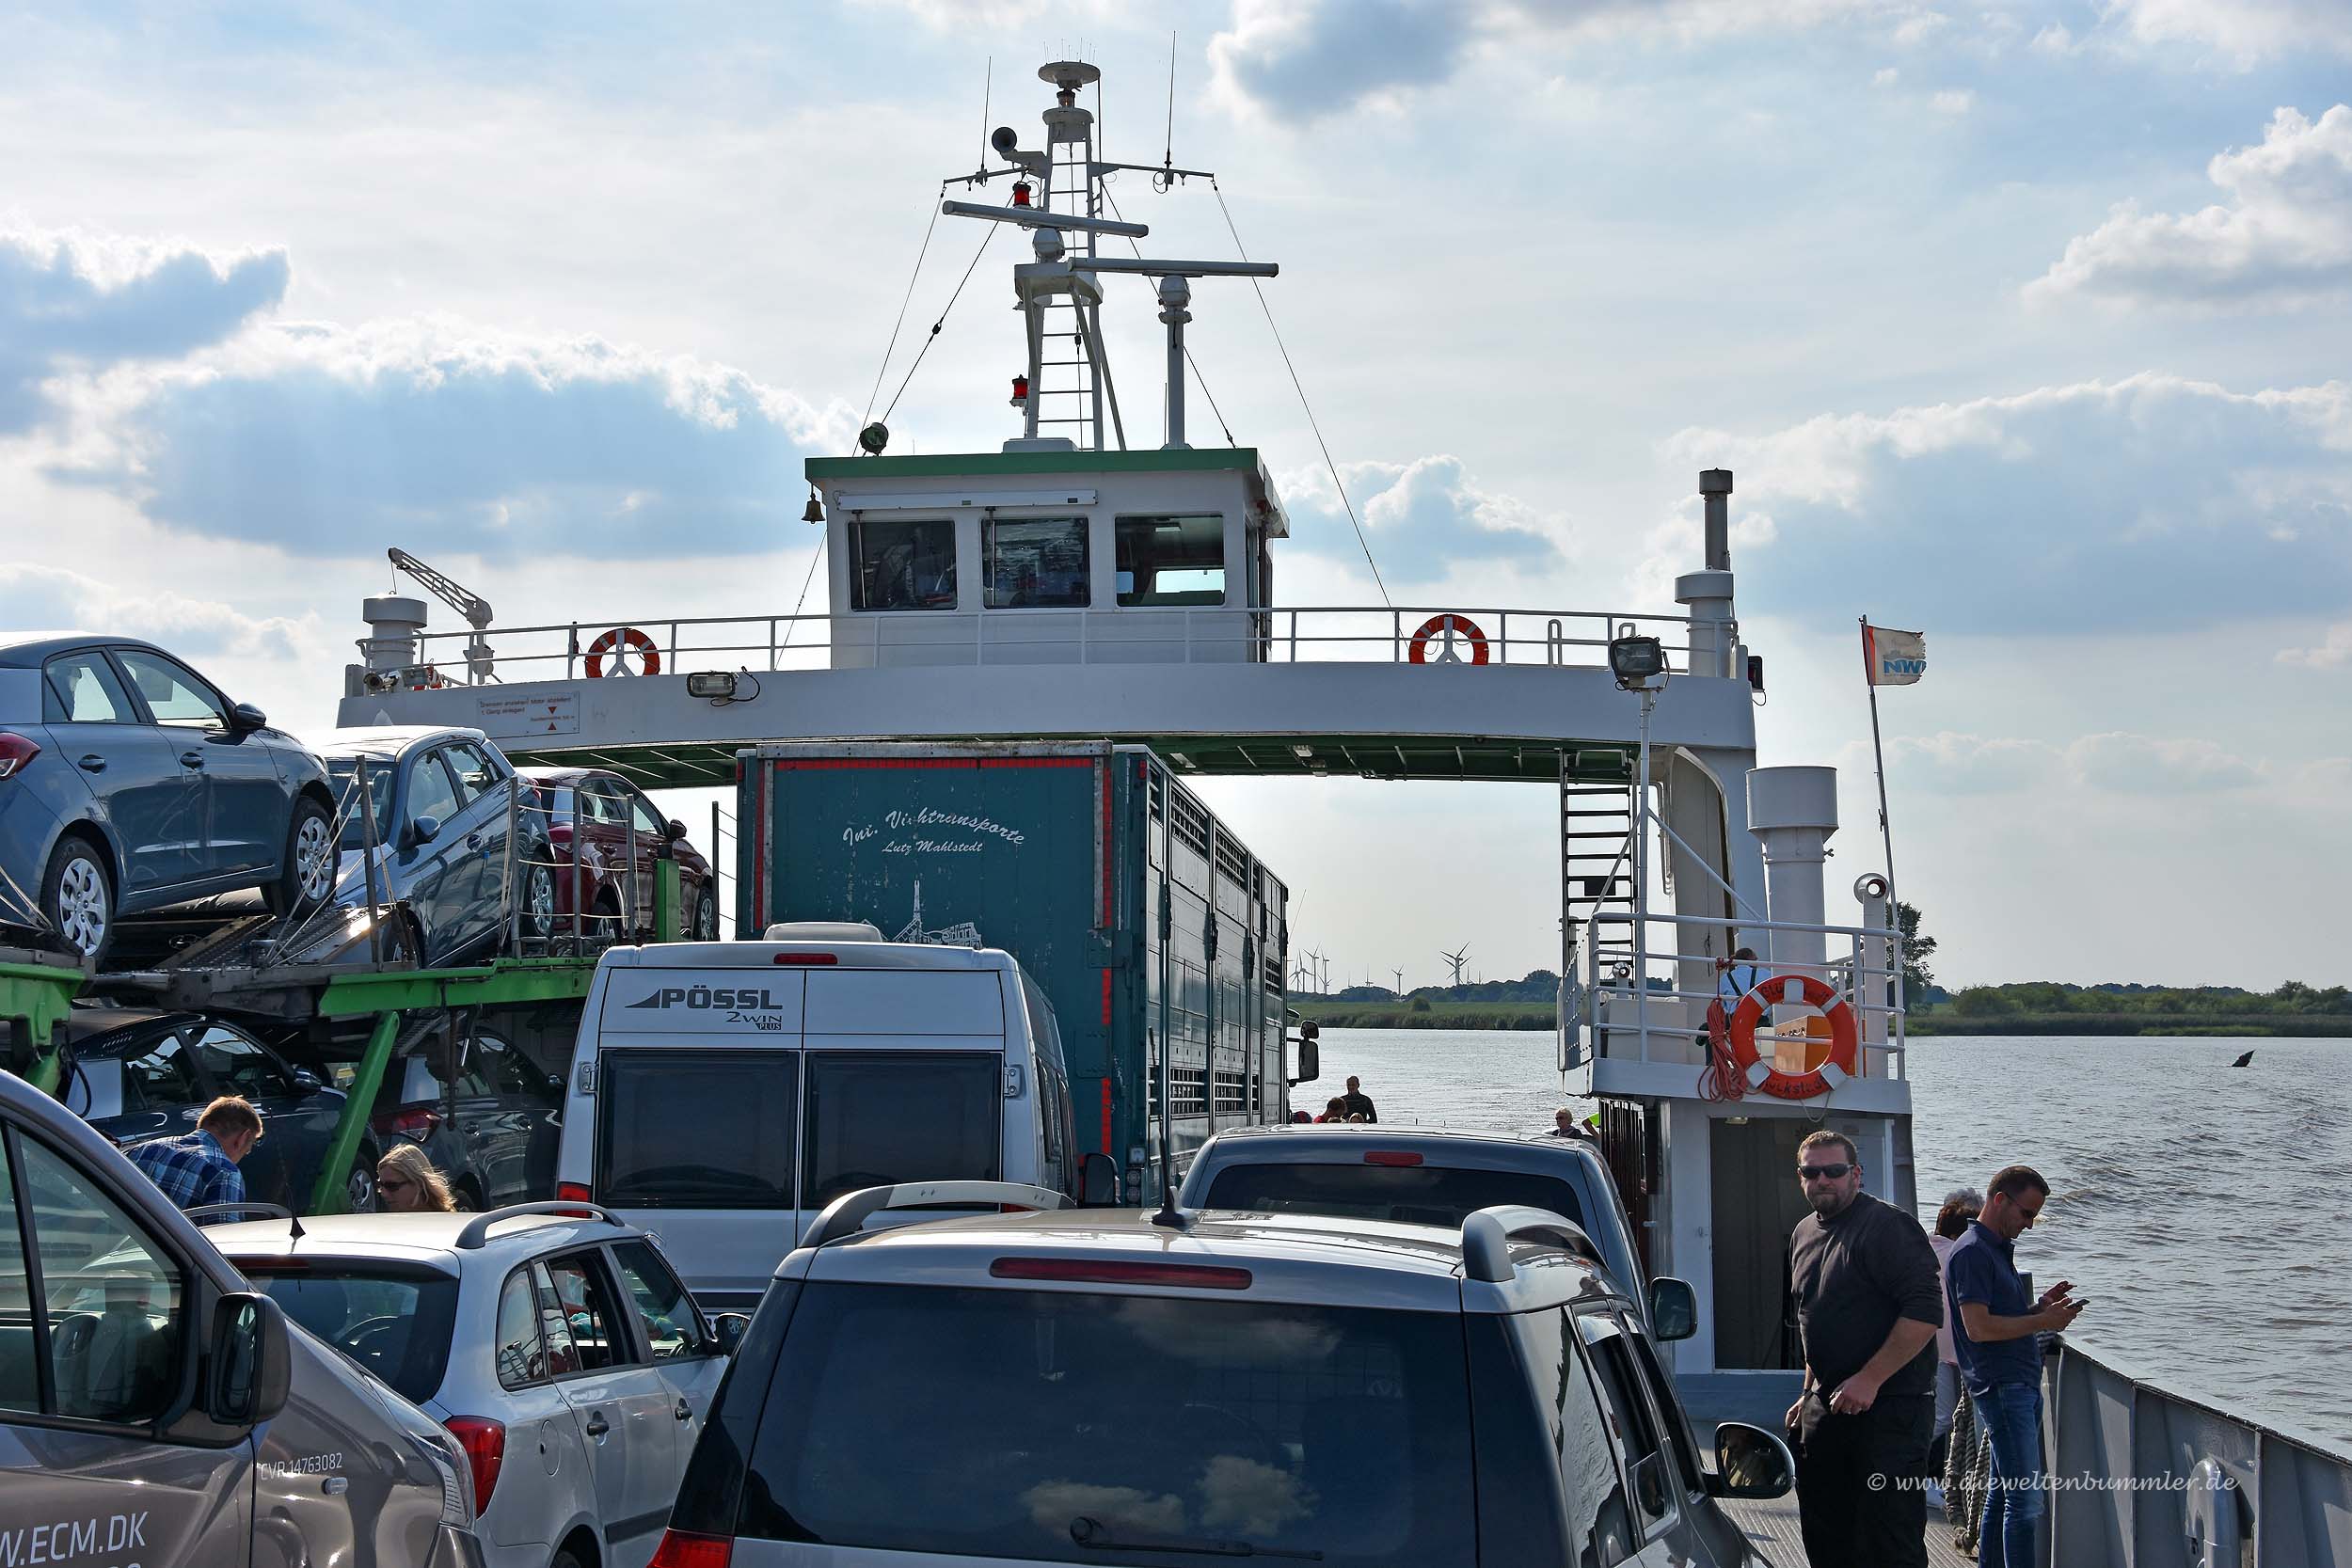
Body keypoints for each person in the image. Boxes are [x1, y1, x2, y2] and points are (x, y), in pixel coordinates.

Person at [1784, 1129, 1943, 1568]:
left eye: (1834, 1171)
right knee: (1825, 1533)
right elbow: (1814, 1318)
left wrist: (1870, 1379)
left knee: (1888, 1541)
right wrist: (1807, 1392)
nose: (1822, 1180)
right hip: (1826, 1407)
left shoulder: (1888, 1227)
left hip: (1889, 1411)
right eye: (1811, 1172)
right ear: (1800, 1177)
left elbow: (1925, 1312)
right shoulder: (1802, 1233)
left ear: (1856, 1174)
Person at [1947, 1164, 2083, 1568]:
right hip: (2004, 1388)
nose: (2029, 1223)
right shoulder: (1973, 1252)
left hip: (2015, 1385)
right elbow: (1978, 1328)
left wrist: (2039, 1308)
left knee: (2003, 1494)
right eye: (2026, 1213)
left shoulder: (1992, 1248)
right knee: (2024, 1503)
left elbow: (1998, 1319)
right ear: (2000, 1200)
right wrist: (2044, 1322)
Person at [1927, 1189, 1983, 1506]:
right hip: (1952, 1349)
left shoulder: (1924, 1249)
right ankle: (1909, 1476)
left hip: (1928, 1346)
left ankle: (1933, 1479)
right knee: (1944, 1419)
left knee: (1943, 1417)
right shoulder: (1960, 1255)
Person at [126, 1096, 262, 1213]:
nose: (247, 1152)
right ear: (244, 1137)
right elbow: (224, 1231)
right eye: (248, 1147)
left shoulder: (141, 1150)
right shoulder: (224, 1172)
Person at [376, 1144, 456, 1212]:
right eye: (380, 1185)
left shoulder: (448, 1222)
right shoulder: (384, 1223)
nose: (384, 1194)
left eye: (391, 1186)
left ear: (419, 1183)